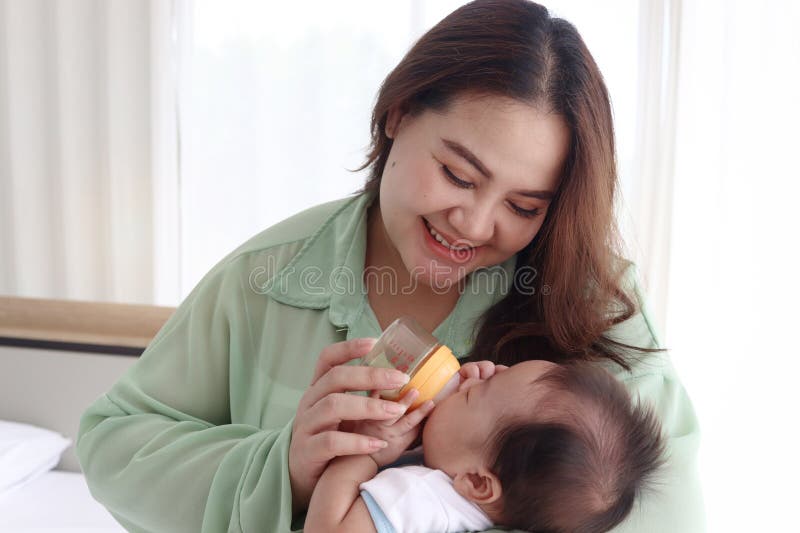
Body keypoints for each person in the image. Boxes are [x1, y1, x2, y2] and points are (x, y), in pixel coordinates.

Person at [76, 1, 704, 531]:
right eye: (458, 175)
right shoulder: (269, 277)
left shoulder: (592, 303)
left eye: (523, 205)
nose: (476, 225)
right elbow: (113, 444)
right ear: (400, 113)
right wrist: (285, 467)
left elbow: (657, 511)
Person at [304, 359, 666, 533]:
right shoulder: (471, 508)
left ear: (477, 482)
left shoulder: (419, 495)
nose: (477, 371)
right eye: (500, 371)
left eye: (475, 394)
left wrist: (365, 453)